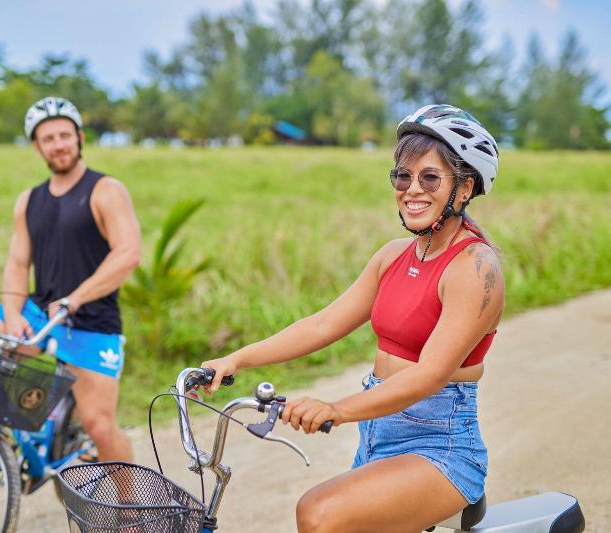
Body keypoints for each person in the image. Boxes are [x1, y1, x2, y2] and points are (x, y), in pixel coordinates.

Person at [203, 104, 504, 532]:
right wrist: (236, 359)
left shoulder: (476, 267)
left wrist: (336, 409)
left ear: (465, 185)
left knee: (319, 513)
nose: (412, 189)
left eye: (429, 177)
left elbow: (430, 376)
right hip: (379, 438)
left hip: (441, 446)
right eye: (403, 176)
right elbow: (323, 324)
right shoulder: (393, 256)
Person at [0, 96, 141, 463]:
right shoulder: (28, 201)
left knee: (100, 425)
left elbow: (127, 254)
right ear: (37, 146)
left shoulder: (106, 190)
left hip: (91, 323)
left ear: (79, 137)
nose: (58, 144)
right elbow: (17, 262)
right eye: (48, 138)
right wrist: (13, 312)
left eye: (65, 135)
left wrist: (76, 298)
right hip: (36, 314)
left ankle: (129, 513)